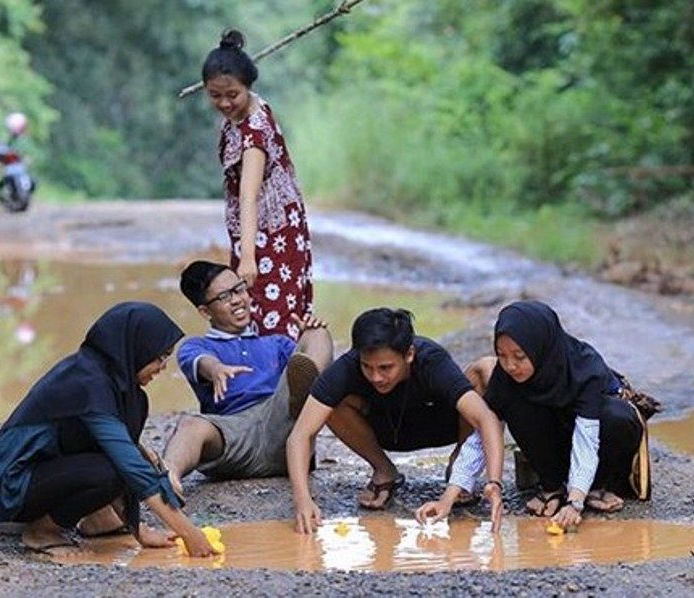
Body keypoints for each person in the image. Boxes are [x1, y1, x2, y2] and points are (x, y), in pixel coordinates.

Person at [0, 302, 217, 557]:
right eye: (159, 357)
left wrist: (139, 531)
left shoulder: (125, 392)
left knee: (116, 465)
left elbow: (126, 455)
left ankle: (96, 520)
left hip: (45, 478)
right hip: (6, 493)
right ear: (136, 349)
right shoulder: (87, 383)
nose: (163, 366)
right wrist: (189, 533)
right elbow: (129, 466)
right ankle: (41, 532)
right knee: (110, 470)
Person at [415, 300, 653, 531]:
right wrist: (448, 497)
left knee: (616, 416)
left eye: (519, 356)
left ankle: (596, 486)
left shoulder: (584, 367)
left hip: (593, 445)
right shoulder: (504, 377)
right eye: (502, 355)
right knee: (518, 405)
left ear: (541, 347)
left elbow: (586, 440)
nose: (510, 366)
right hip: (552, 448)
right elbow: (481, 438)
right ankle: (551, 486)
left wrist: (575, 502)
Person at [287, 307, 505, 534]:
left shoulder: (431, 360)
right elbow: (299, 436)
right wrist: (302, 500)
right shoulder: (346, 367)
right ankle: (384, 471)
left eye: (385, 368)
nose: (376, 377)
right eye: (367, 367)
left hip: (441, 426)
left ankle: (460, 470)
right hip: (383, 430)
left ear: (409, 354)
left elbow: (485, 419)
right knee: (328, 404)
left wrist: (494, 483)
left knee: (485, 372)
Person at [161, 260, 332, 489]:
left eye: (239, 289)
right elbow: (201, 362)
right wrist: (216, 369)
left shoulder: (277, 343)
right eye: (224, 297)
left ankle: (307, 402)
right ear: (204, 311)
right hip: (234, 434)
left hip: (283, 428)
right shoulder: (196, 346)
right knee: (191, 425)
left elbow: (298, 366)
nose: (237, 300)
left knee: (316, 332)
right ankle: (167, 480)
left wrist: (309, 336)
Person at [201, 28, 313, 340]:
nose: (224, 103)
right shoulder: (245, 110)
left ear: (248, 88)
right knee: (256, 307)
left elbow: (248, 197)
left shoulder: (255, 133)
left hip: (273, 232)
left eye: (232, 94)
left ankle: (286, 376)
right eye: (214, 95)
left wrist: (248, 257)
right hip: (255, 231)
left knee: (272, 306)